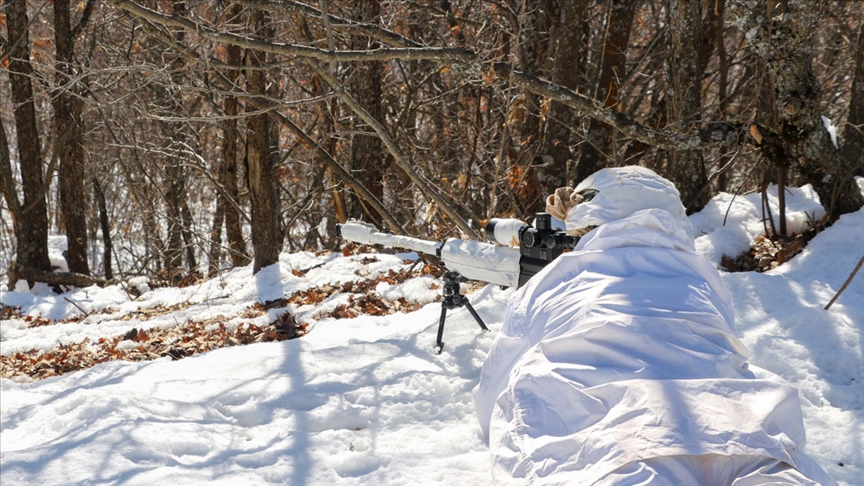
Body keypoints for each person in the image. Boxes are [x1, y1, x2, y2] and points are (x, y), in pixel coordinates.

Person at [473, 166, 837, 485]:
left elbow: (496, 390)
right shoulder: (704, 278)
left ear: (589, 219)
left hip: (609, 441)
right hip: (738, 428)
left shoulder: (555, 279)